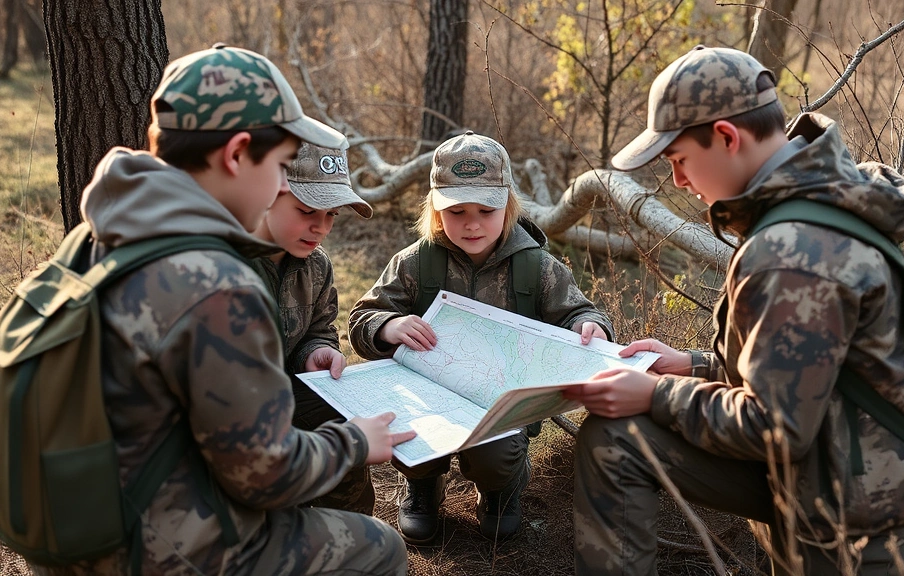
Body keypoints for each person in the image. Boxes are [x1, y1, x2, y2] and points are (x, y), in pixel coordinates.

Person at [39, 45, 414, 576]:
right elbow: (263, 475)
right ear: (238, 154)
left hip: (73, 512)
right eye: (282, 166)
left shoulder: (107, 233)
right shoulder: (213, 282)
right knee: (380, 550)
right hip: (138, 541)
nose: (282, 184)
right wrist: (354, 442)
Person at [566, 45, 904, 575]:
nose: (679, 183)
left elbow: (775, 428)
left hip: (850, 525)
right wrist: (689, 366)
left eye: (679, 161)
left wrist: (655, 394)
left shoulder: (792, 249)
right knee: (618, 440)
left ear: (727, 137)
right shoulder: (821, 197)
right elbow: (807, 371)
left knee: (620, 436)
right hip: (846, 469)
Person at [348, 131, 615, 544]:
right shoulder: (416, 262)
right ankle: (423, 484)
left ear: (507, 205)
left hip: (499, 404)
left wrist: (589, 328)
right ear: (437, 211)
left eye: (485, 210)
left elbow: (580, 312)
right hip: (428, 394)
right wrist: (388, 326)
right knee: (413, 437)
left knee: (496, 456)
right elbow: (362, 317)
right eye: (456, 211)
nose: (471, 223)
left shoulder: (536, 268)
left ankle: (500, 490)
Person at [249, 141, 378, 515]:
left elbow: (319, 327)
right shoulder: (221, 262)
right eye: (306, 210)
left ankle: (350, 532)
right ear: (266, 193)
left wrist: (316, 350)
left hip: (291, 393)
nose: (320, 227)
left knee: (347, 431)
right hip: (231, 414)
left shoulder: (316, 265)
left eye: (332, 214)